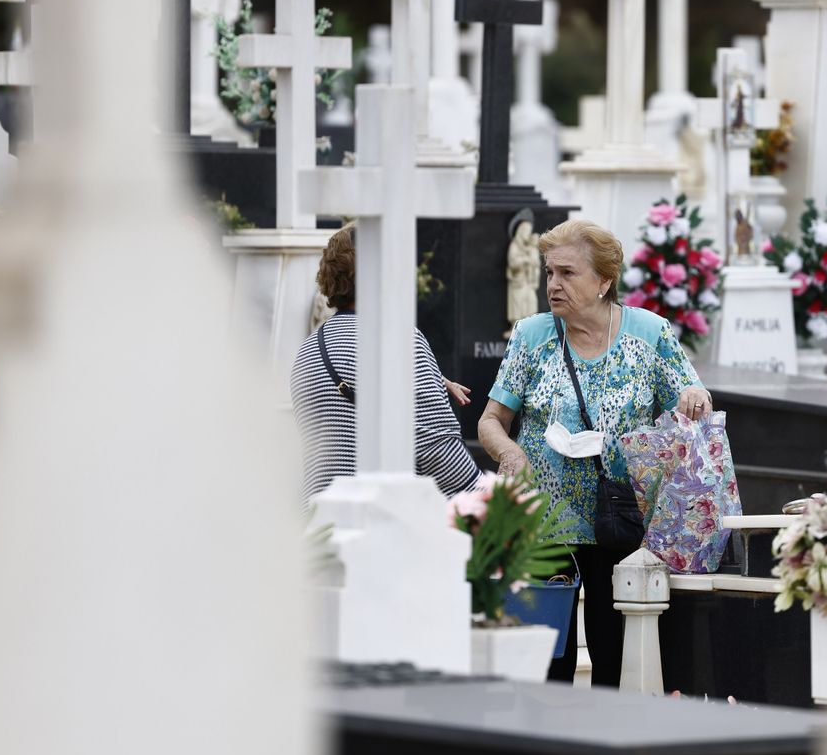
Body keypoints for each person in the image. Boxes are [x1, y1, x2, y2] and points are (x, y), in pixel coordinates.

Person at [478, 219, 713, 685]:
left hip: (621, 523)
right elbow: (490, 421)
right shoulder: (532, 336)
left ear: (604, 280)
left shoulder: (649, 335)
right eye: (548, 273)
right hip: (545, 524)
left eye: (567, 273)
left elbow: (696, 401)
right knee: (547, 664)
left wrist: (695, 400)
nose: (553, 285)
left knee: (612, 659)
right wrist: (510, 453)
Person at [291, 224, 480, 500]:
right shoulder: (399, 341)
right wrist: (488, 497)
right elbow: (437, 451)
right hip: (380, 523)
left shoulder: (307, 350)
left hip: (319, 522)